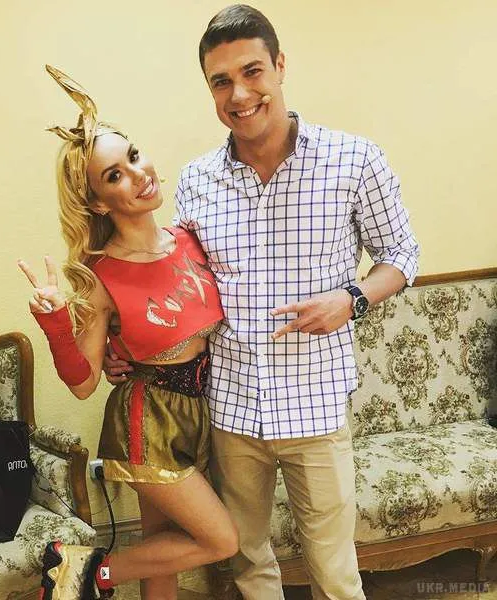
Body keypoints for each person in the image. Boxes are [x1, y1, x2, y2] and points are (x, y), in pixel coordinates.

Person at [104, 5, 420, 600]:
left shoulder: (354, 160)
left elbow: (402, 253)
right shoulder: (197, 180)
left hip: (316, 408)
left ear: (279, 65)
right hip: (231, 412)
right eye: (221, 82)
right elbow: (173, 284)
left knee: (334, 574)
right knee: (249, 566)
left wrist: (351, 297)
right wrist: (122, 346)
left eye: (252, 72)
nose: (240, 94)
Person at [18, 65, 238, 600]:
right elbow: (82, 384)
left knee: (165, 549)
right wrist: (54, 321)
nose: (138, 175)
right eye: (114, 175)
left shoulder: (190, 239)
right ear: (98, 202)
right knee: (220, 539)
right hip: (146, 420)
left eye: (134, 156)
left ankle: (83, 573)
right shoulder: (100, 275)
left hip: (200, 412)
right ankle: (86, 571)